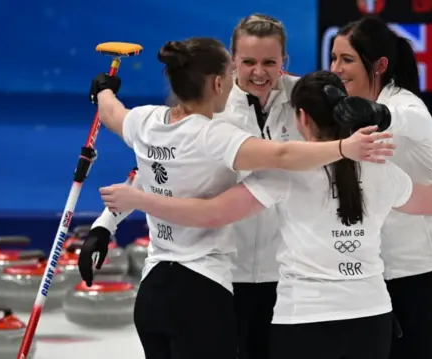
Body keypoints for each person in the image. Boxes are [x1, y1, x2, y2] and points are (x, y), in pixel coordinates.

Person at [97, 70, 432, 359]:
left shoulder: (283, 174)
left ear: (302, 118)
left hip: (304, 319)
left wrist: (140, 200)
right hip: (371, 317)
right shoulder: (382, 169)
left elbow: (211, 214)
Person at [83, 37, 392, 359]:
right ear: (218, 83)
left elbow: (111, 113)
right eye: (233, 73)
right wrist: (345, 148)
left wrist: (103, 89)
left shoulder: (144, 121)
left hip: (153, 287)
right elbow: (284, 154)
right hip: (201, 289)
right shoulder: (215, 136)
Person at [80, 14, 313, 359]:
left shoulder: (304, 99)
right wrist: (105, 225)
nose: (259, 72)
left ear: (285, 62)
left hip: (287, 273)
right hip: (223, 276)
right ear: (232, 64)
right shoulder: (210, 109)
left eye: (269, 62)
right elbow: (155, 170)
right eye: (248, 62)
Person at [329, 16, 432, 359]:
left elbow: (390, 117)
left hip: (430, 277)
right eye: (334, 58)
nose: (336, 68)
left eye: (347, 59)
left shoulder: (408, 107)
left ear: (380, 65)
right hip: (374, 277)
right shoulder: (344, 107)